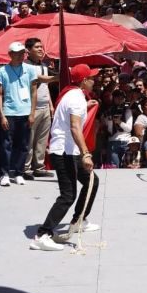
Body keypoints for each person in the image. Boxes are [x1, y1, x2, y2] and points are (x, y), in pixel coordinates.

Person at [30, 64, 100, 252]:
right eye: (91, 78)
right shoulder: (76, 98)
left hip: (69, 151)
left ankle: (79, 220)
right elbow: (75, 127)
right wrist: (86, 153)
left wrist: (86, 106)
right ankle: (42, 235)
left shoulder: (74, 95)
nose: (94, 81)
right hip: (63, 152)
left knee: (91, 181)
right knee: (68, 195)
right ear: (84, 81)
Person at [0, 41, 39, 187]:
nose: (20, 56)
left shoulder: (30, 69)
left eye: (22, 53)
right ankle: (5, 173)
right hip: (9, 112)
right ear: (10, 54)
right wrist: (2, 116)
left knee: (23, 145)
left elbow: (34, 92)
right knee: (6, 144)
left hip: (25, 112)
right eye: (17, 53)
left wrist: (32, 113)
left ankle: (19, 173)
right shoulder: (2, 71)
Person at [23, 37, 56, 181]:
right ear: (28, 50)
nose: (41, 49)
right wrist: (58, 77)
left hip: (44, 107)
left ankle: (39, 167)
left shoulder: (44, 65)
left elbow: (45, 87)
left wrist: (50, 105)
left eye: (41, 47)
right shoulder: (25, 66)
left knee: (42, 140)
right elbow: (42, 79)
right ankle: (26, 168)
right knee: (29, 140)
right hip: (32, 109)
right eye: (37, 47)